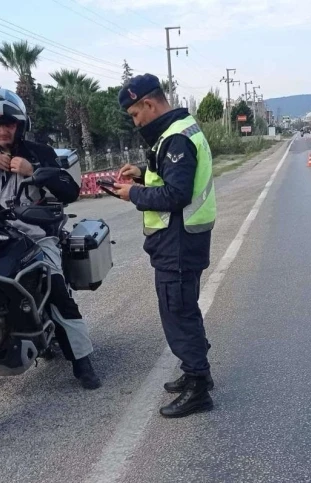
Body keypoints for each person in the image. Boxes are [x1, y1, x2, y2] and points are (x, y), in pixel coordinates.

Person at [0, 88, 101, 390]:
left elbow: (70, 190)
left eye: (9, 124)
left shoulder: (40, 153)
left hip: (33, 234)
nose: (2, 130)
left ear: (19, 125)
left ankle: (82, 360)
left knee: (53, 286)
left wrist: (35, 170)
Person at [113, 74, 216, 417]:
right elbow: (172, 180)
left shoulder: (174, 139)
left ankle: (198, 387)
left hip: (179, 242)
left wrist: (134, 194)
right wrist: (142, 175)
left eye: (135, 115)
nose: (136, 122)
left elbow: (176, 194)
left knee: (178, 312)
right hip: (181, 240)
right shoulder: (180, 130)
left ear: (149, 104)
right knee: (184, 308)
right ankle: (196, 373)